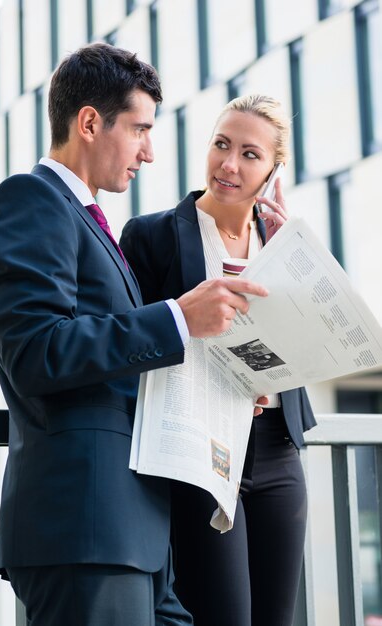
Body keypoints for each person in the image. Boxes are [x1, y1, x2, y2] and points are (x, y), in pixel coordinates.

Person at [0, 46, 269, 626]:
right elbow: (37, 350)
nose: (150, 152)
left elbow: (113, 355)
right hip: (84, 530)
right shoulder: (29, 201)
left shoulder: (90, 223)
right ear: (88, 123)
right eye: (140, 129)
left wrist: (217, 385)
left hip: (135, 535)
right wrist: (178, 317)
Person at [120, 94, 317, 626]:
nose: (229, 164)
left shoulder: (285, 241)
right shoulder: (153, 235)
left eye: (250, 154)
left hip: (276, 450)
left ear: (274, 168)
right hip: (201, 453)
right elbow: (132, 344)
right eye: (221, 145)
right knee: (222, 615)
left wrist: (291, 257)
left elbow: (309, 337)